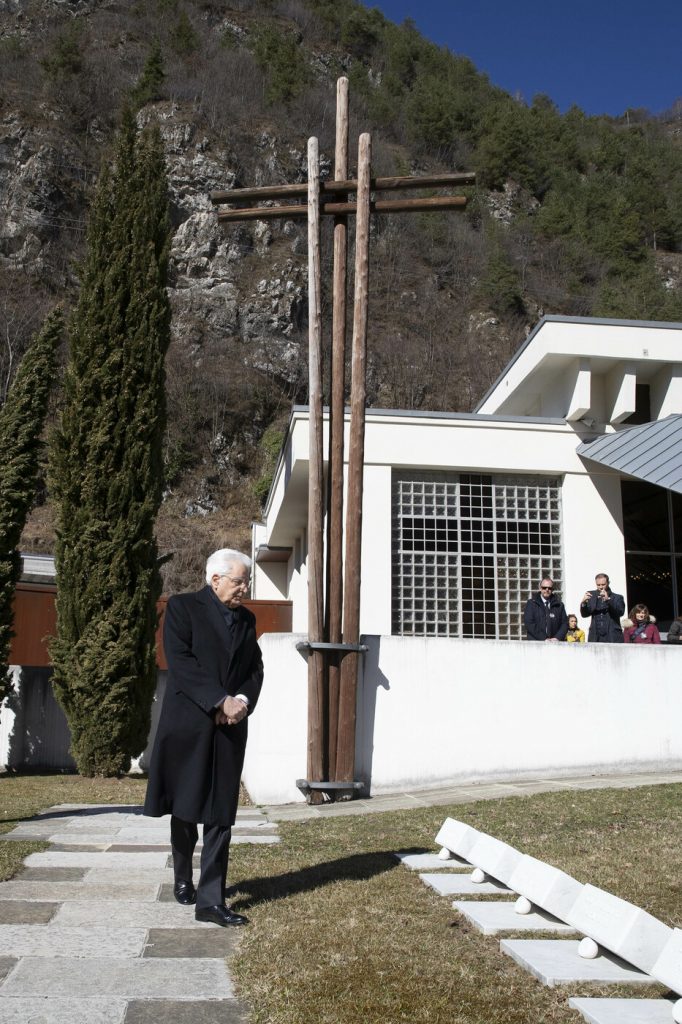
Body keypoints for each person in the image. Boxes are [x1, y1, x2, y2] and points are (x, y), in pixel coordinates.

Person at [144, 548, 263, 927]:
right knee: (185, 809)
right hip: (189, 725)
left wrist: (241, 699)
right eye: (239, 580)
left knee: (220, 815)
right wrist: (219, 699)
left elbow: (255, 668)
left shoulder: (248, 620)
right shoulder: (183, 607)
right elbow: (181, 661)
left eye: (246, 581)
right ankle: (183, 875)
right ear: (216, 580)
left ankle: (211, 900)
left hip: (229, 730)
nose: (245, 587)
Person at [580, 572, 625, 643]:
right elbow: (584, 615)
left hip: (612, 635)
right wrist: (583, 603)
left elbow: (620, 612)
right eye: (598, 585)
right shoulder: (592, 595)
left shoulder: (617, 597)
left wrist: (608, 600)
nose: (601, 587)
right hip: (595, 635)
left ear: (608, 583)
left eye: (603, 584)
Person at [524, 576, 568, 641]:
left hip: (554, 644)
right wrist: (544, 638)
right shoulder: (531, 603)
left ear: (552, 590)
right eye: (544, 588)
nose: (547, 590)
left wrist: (557, 638)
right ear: (540, 588)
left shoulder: (559, 605)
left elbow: (564, 624)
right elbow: (529, 623)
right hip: (536, 643)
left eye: (549, 588)